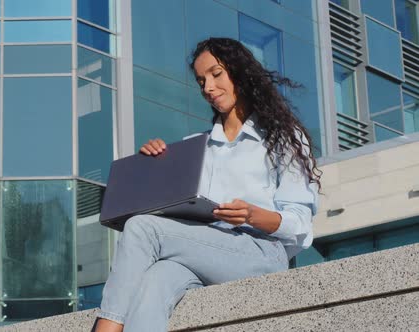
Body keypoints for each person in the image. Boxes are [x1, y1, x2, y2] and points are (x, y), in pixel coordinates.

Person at [93, 37, 321, 332]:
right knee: (156, 279)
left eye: (216, 74)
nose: (208, 88)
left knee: (141, 227)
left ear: (239, 72)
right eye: (201, 81)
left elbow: (301, 226)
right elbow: (177, 211)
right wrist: (157, 164)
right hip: (203, 250)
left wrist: (252, 215)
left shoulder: (282, 138)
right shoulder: (195, 148)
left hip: (261, 252)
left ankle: (105, 328)